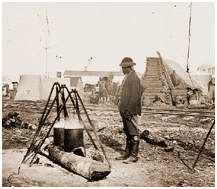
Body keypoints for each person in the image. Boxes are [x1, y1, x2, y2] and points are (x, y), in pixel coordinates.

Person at [115, 57, 144, 164]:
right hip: (125, 110)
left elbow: (135, 96)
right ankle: (127, 153)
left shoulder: (134, 78)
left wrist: (129, 111)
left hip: (130, 111)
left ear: (129, 67)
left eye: (123, 68)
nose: (122, 70)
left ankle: (134, 155)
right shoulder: (127, 77)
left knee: (133, 132)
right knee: (128, 131)